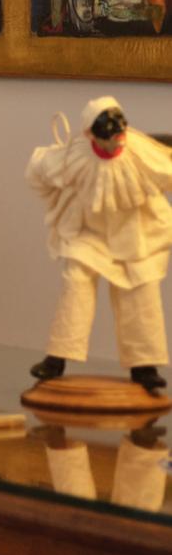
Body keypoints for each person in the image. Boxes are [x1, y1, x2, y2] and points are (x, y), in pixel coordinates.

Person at [25, 96, 171, 394]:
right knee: (75, 290)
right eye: (109, 132)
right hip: (87, 234)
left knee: (140, 294)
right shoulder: (74, 155)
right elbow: (39, 170)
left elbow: (164, 167)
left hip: (134, 235)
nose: (118, 137)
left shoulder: (140, 150)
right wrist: (54, 196)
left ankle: (144, 367)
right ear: (91, 134)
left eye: (121, 129)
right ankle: (56, 360)